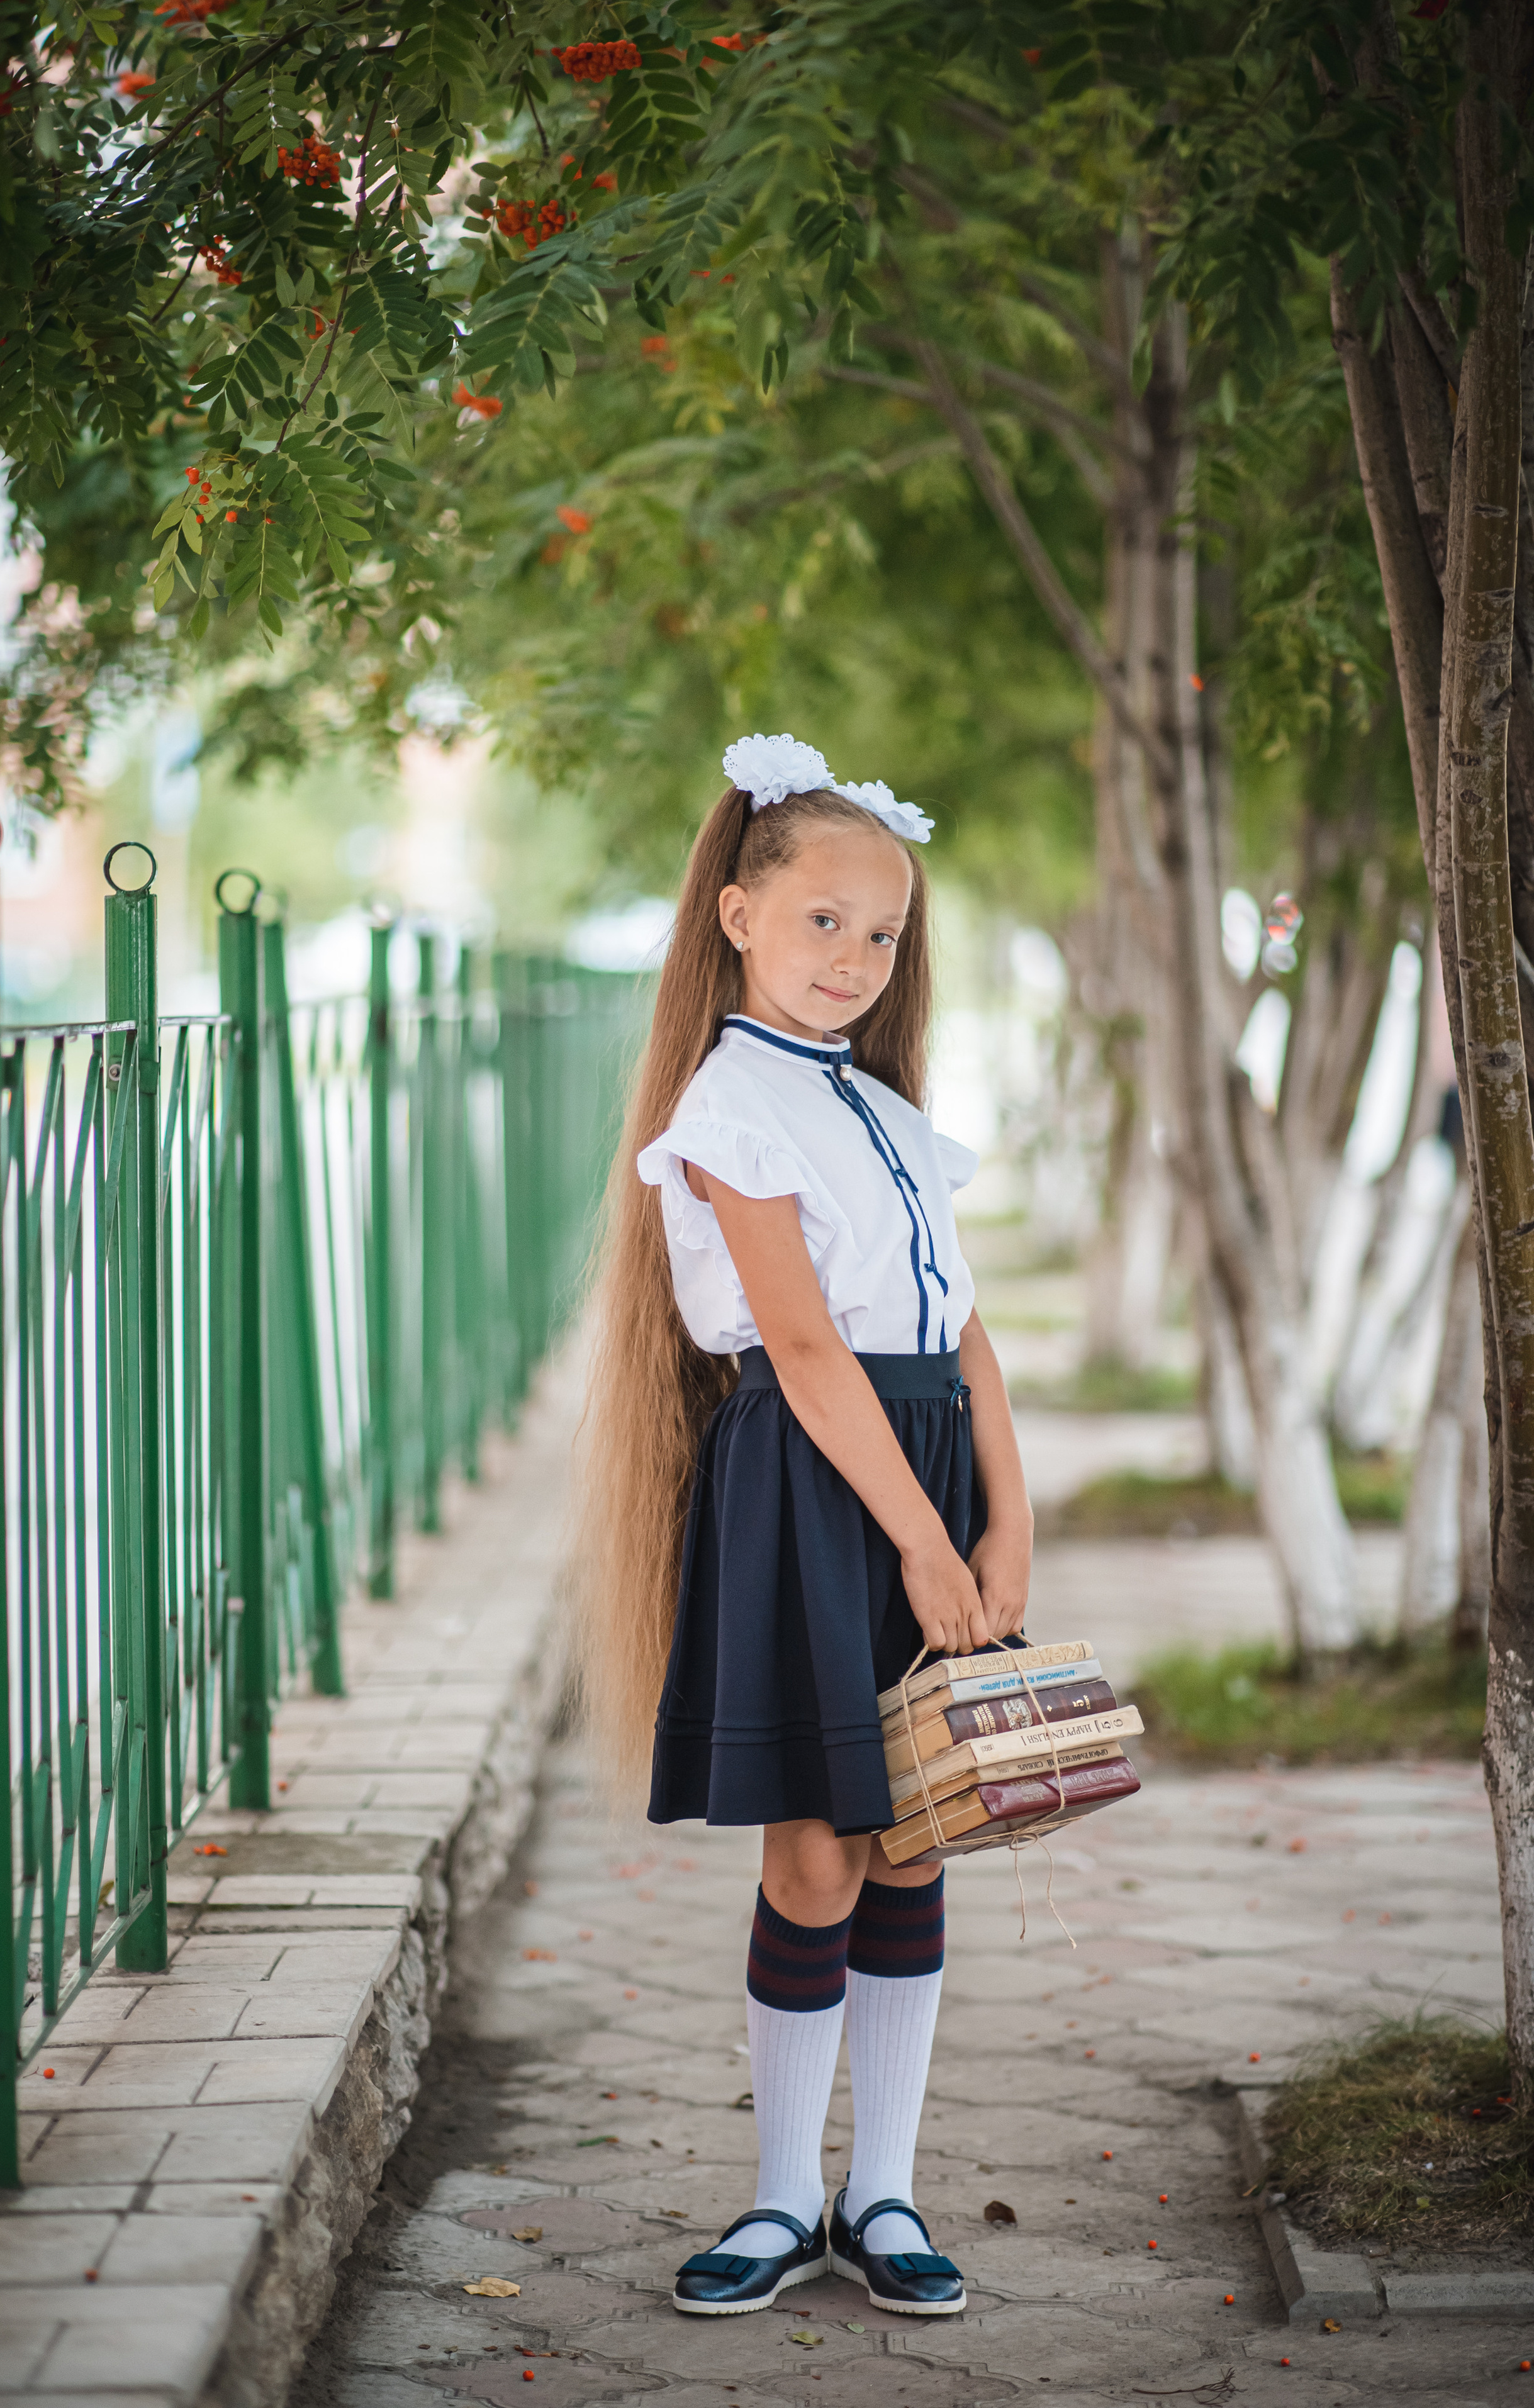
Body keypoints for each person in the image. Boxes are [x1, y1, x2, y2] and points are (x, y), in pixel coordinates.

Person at [577, 733, 1034, 2319]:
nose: (853, 956)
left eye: (882, 931)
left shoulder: (894, 1116)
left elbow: (963, 1335)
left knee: (916, 1832)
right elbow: (809, 1351)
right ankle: (779, 2199)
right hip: (815, 1486)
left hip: (927, 1481)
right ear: (737, 915)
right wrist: (917, 1538)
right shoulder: (729, 1106)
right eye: (820, 919)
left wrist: (1003, 1524)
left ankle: (883, 2192)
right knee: (817, 1852)